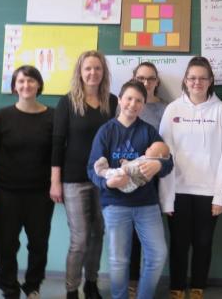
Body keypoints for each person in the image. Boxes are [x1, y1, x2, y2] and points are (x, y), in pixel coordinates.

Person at [88, 80, 174, 299]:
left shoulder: (148, 131)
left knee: (157, 254)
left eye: (138, 101)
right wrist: (106, 183)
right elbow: (92, 168)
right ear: (120, 100)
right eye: (129, 98)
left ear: (143, 105)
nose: (133, 104)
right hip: (115, 204)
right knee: (118, 260)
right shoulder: (106, 131)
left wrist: (158, 165)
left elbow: (168, 162)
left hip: (147, 204)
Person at [159, 56, 222, 299]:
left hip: (208, 193)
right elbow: (163, 155)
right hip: (178, 191)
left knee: (203, 244)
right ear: (185, 80)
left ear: (211, 81)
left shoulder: (221, 111)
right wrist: (167, 197)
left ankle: (197, 288)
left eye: (203, 78)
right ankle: (177, 288)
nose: (197, 82)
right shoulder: (172, 109)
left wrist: (221, 196)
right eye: (192, 78)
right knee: (179, 245)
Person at [51, 50, 118, 299]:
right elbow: (57, 143)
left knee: (97, 233)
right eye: (88, 68)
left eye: (97, 68)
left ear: (104, 72)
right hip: (73, 179)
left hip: (103, 180)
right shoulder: (67, 102)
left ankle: (91, 283)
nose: (93, 73)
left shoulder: (112, 102)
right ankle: (71, 289)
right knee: (79, 238)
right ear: (80, 72)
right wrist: (54, 181)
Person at [0, 65, 54, 299]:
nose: (26, 85)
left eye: (31, 81)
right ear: (14, 86)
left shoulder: (52, 116)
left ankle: (33, 285)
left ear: (39, 85)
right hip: (6, 194)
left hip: (41, 195)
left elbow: (57, 156)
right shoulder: (1, 117)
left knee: (38, 245)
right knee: (5, 246)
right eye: (21, 81)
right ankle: (9, 288)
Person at [127, 61, 168, 298]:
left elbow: (166, 147)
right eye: (141, 78)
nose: (146, 83)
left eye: (151, 79)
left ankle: (146, 284)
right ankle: (132, 283)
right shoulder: (123, 106)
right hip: (127, 181)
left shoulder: (165, 109)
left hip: (154, 182)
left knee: (150, 238)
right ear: (133, 78)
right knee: (129, 237)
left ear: (157, 82)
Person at [94, 141, 170, 193]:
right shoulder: (144, 157)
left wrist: (126, 168)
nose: (147, 148)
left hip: (130, 184)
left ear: (159, 156)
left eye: (151, 148)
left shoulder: (150, 164)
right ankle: (107, 170)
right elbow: (134, 163)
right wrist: (126, 162)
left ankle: (102, 171)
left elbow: (138, 171)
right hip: (126, 176)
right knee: (118, 173)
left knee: (119, 173)